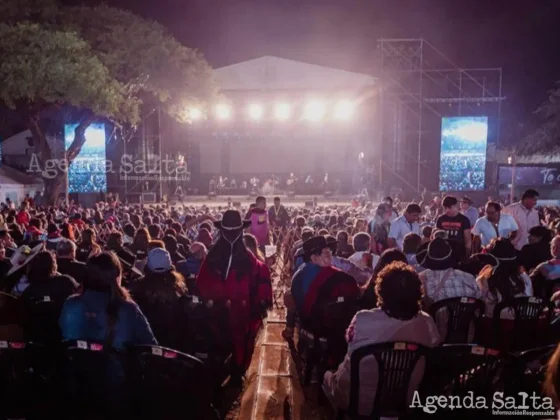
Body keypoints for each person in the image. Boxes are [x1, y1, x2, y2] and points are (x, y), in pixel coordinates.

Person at [322, 262, 441, 417]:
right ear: (418, 292)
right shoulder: (427, 322)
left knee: (327, 376)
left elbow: (349, 343)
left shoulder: (362, 318)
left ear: (381, 291)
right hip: (406, 402)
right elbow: (436, 346)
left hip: (358, 401)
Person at [195, 210, 272, 379]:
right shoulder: (213, 255)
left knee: (240, 342)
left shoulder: (248, 258)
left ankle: (237, 371)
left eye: (234, 231)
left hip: (241, 312)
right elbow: (203, 282)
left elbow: (259, 278)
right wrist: (219, 299)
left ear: (240, 231)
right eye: (228, 230)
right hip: (216, 311)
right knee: (218, 343)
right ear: (222, 231)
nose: (231, 234)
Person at [59, 252, 157, 349]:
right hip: (118, 364)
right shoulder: (129, 309)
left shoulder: (70, 304)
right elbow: (150, 346)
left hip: (75, 363)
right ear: (117, 277)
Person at [476, 238, 533, 317]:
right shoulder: (524, 278)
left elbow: (479, 302)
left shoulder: (486, 279)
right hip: (521, 323)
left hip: (494, 324)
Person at [417, 237, 481, 306]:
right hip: (465, 315)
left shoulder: (421, 280)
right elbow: (478, 301)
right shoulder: (468, 278)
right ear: (451, 256)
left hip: (436, 315)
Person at [436, 196, 472, 260]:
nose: (447, 210)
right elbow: (436, 238)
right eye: (444, 207)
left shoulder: (464, 219)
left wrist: (467, 257)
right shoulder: (440, 219)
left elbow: (468, 241)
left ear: (456, 206)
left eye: (449, 207)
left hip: (459, 253)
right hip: (443, 254)